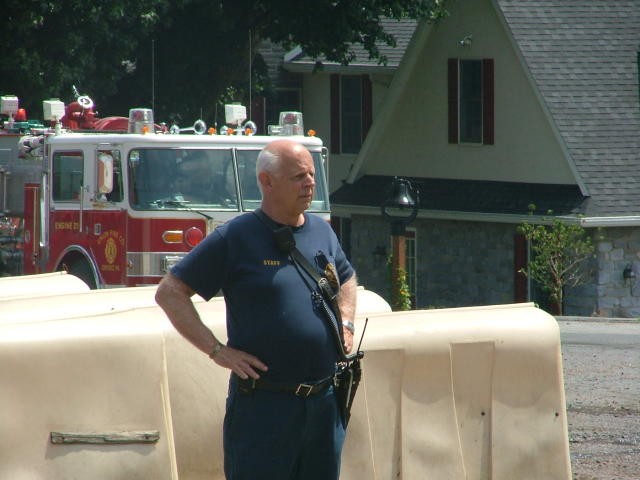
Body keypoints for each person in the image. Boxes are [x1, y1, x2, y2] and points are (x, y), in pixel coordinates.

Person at [155, 139, 358, 480]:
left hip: (323, 406)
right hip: (264, 410)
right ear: (267, 181)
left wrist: (347, 323)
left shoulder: (322, 231)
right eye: (298, 176)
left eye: (311, 175)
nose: (309, 183)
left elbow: (348, 279)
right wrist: (217, 350)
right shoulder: (235, 237)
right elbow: (170, 292)